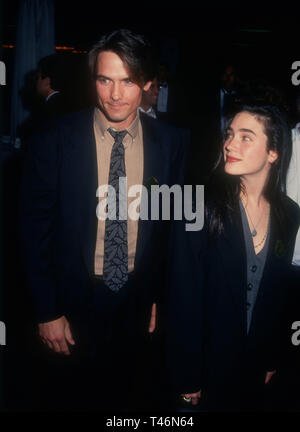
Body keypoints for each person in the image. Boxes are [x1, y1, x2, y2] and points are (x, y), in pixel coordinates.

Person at [21, 29, 188, 411]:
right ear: (93, 79)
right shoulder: (53, 138)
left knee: (130, 397)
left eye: (127, 81)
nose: (115, 94)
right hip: (72, 299)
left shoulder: (172, 141)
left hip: (138, 301)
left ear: (147, 83)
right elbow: (34, 230)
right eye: (105, 79)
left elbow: (170, 227)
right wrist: (47, 310)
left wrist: (163, 297)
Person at [167, 101, 300, 411]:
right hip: (205, 367)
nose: (230, 144)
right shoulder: (196, 206)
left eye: (245, 136)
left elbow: (276, 295)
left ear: (273, 153)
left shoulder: (289, 214)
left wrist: (270, 356)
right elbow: (183, 300)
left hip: (253, 367)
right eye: (229, 134)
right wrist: (187, 378)